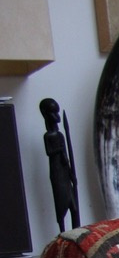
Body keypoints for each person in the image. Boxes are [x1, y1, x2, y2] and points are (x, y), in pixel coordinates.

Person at [40, 98, 80, 232]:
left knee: (74, 207)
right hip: (57, 172)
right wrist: (60, 148)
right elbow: (50, 151)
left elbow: (65, 157)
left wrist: (71, 174)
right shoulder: (49, 136)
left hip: (64, 171)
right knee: (61, 206)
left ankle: (76, 232)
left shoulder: (60, 135)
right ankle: (63, 234)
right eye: (53, 113)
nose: (57, 117)